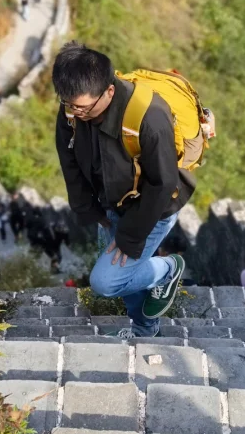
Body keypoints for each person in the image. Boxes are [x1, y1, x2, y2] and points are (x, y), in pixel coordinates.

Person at [53, 41, 190, 339]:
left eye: (82, 106)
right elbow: (69, 160)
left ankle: (167, 269)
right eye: (68, 104)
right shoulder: (72, 111)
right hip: (110, 204)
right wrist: (88, 209)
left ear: (109, 91)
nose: (75, 112)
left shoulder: (149, 118)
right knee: (122, 277)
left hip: (152, 208)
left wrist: (130, 237)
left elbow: (164, 183)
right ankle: (144, 330)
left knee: (107, 282)